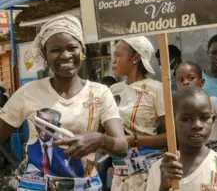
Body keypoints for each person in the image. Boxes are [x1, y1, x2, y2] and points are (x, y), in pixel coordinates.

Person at [0, 14, 128, 191]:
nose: (65, 55)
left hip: (86, 185)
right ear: (45, 54)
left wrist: (100, 139)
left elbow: (121, 147)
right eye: (56, 50)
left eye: (72, 47)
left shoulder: (99, 93)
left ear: (82, 50)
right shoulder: (29, 92)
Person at [145, 86, 217, 191]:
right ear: (172, 123)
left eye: (204, 118)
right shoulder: (160, 170)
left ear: (212, 120)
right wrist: (163, 188)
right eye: (187, 119)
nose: (197, 125)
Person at [110, 36, 166, 191]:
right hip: (120, 175)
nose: (113, 61)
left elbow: (171, 137)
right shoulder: (113, 90)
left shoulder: (156, 89)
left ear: (135, 57)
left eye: (118, 55)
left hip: (149, 175)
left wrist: (134, 140)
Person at [175, 61, 217, 152]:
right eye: (181, 80)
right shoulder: (178, 109)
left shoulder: (213, 102)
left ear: (201, 82)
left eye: (191, 78)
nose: (186, 82)